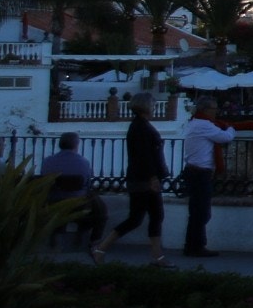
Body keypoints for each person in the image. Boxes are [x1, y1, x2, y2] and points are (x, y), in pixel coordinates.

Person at [92, 92, 173, 267]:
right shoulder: (141, 128)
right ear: (145, 106)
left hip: (141, 178)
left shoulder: (139, 126)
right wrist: (153, 177)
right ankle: (101, 248)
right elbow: (144, 156)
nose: (154, 108)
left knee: (152, 216)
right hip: (143, 180)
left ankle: (157, 256)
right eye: (152, 104)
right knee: (139, 218)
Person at [180, 96, 235, 257]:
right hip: (200, 173)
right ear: (205, 110)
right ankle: (196, 246)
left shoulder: (195, 123)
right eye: (214, 108)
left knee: (196, 211)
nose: (216, 111)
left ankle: (193, 245)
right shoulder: (204, 125)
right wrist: (230, 127)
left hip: (194, 171)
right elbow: (226, 137)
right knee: (202, 212)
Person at [40, 132, 108, 245]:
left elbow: (44, 182)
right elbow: (87, 183)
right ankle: (94, 239)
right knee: (101, 211)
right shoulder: (83, 162)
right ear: (76, 145)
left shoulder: (47, 162)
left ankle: (56, 236)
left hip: (53, 203)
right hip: (78, 205)